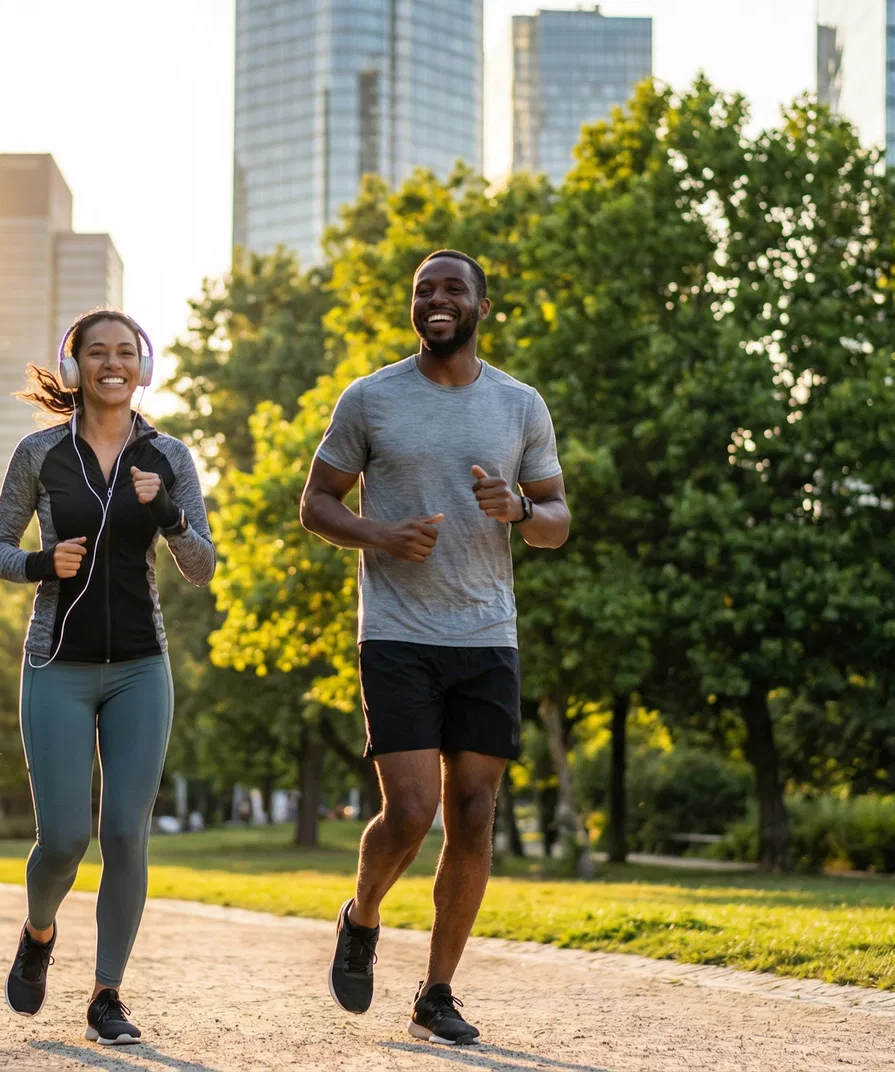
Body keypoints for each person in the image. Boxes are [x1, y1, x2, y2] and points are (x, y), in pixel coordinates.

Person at [303, 250, 569, 1046]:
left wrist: (521, 509)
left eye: (454, 289)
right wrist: (380, 533)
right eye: (425, 290)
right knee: (412, 810)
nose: (437, 300)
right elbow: (316, 503)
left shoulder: (520, 405)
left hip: (486, 634)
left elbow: (557, 521)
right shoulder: (371, 398)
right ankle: (362, 914)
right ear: (413, 306)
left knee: (475, 814)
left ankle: (437, 991)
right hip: (396, 632)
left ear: (483, 306)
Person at [0, 309, 215, 1046]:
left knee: (125, 834)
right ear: (75, 365)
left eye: (124, 353)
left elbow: (202, 567)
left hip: (141, 668)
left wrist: (168, 512)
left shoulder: (169, 455)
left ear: (141, 368)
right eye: (97, 353)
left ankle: (107, 994)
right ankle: (38, 932)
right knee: (62, 840)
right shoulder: (39, 453)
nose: (112, 363)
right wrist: (38, 563)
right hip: (57, 663)